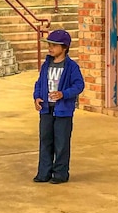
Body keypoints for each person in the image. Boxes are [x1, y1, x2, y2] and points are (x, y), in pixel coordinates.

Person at [33, 29, 84, 184]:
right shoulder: (46, 65)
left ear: (64, 47)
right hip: (46, 109)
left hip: (63, 111)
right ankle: (44, 172)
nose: (50, 48)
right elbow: (39, 83)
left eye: (54, 45)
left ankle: (60, 173)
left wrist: (64, 94)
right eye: (49, 45)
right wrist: (37, 97)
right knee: (45, 140)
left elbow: (79, 85)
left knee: (61, 142)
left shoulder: (71, 67)